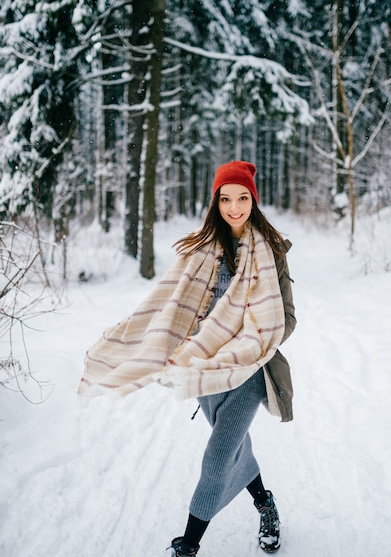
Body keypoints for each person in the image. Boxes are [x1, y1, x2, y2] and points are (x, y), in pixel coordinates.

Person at [78, 161, 296, 556]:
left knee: (217, 457)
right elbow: (170, 306)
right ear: (215, 201)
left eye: (242, 198)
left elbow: (286, 318)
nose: (234, 207)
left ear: (253, 200)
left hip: (247, 370)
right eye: (226, 198)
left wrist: (253, 340)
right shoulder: (199, 250)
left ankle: (188, 545)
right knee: (234, 446)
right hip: (202, 370)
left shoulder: (271, 252)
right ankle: (265, 503)